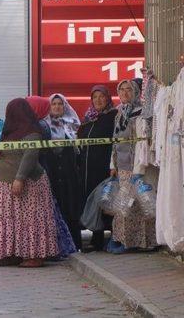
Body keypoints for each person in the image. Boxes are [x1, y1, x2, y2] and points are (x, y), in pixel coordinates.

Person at [0, 98, 59, 267]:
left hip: (28, 183)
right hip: (4, 185)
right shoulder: (10, 132)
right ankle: (12, 253)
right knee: (9, 220)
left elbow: (29, 156)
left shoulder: (33, 131)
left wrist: (19, 178)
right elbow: (8, 154)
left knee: (30, 220)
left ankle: (35, 255)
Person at [108, 80, 157, 253]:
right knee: (124, 206)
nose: (125, 93)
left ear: (136, 92)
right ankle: (125, 240)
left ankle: (144, 242)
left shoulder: (140, 114)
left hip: (137, 168)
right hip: (122, 169)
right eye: (121, 90)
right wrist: (112, 164)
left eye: (129, 89)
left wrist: (138, 170)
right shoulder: (120, 113)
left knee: (141, 204)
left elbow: (141, 145)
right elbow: (115, 141)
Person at [77, 85, 117, 251]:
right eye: (95, 97)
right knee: (92, 200)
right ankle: (96, 236)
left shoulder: (113, 116)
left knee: (105, 200)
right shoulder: (89, 118)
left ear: (108, 98)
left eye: (102, 97)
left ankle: (111, 236)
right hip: (87, 167)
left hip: (104, 167)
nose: (98, 100)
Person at [43, 94, 83, 250]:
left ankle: (75, 244)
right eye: (54, 104)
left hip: (69, 173)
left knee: (71, 207)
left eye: (60, 104)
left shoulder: (72, 124)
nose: (57, 107)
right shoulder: (45, 125)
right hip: (52, 172)